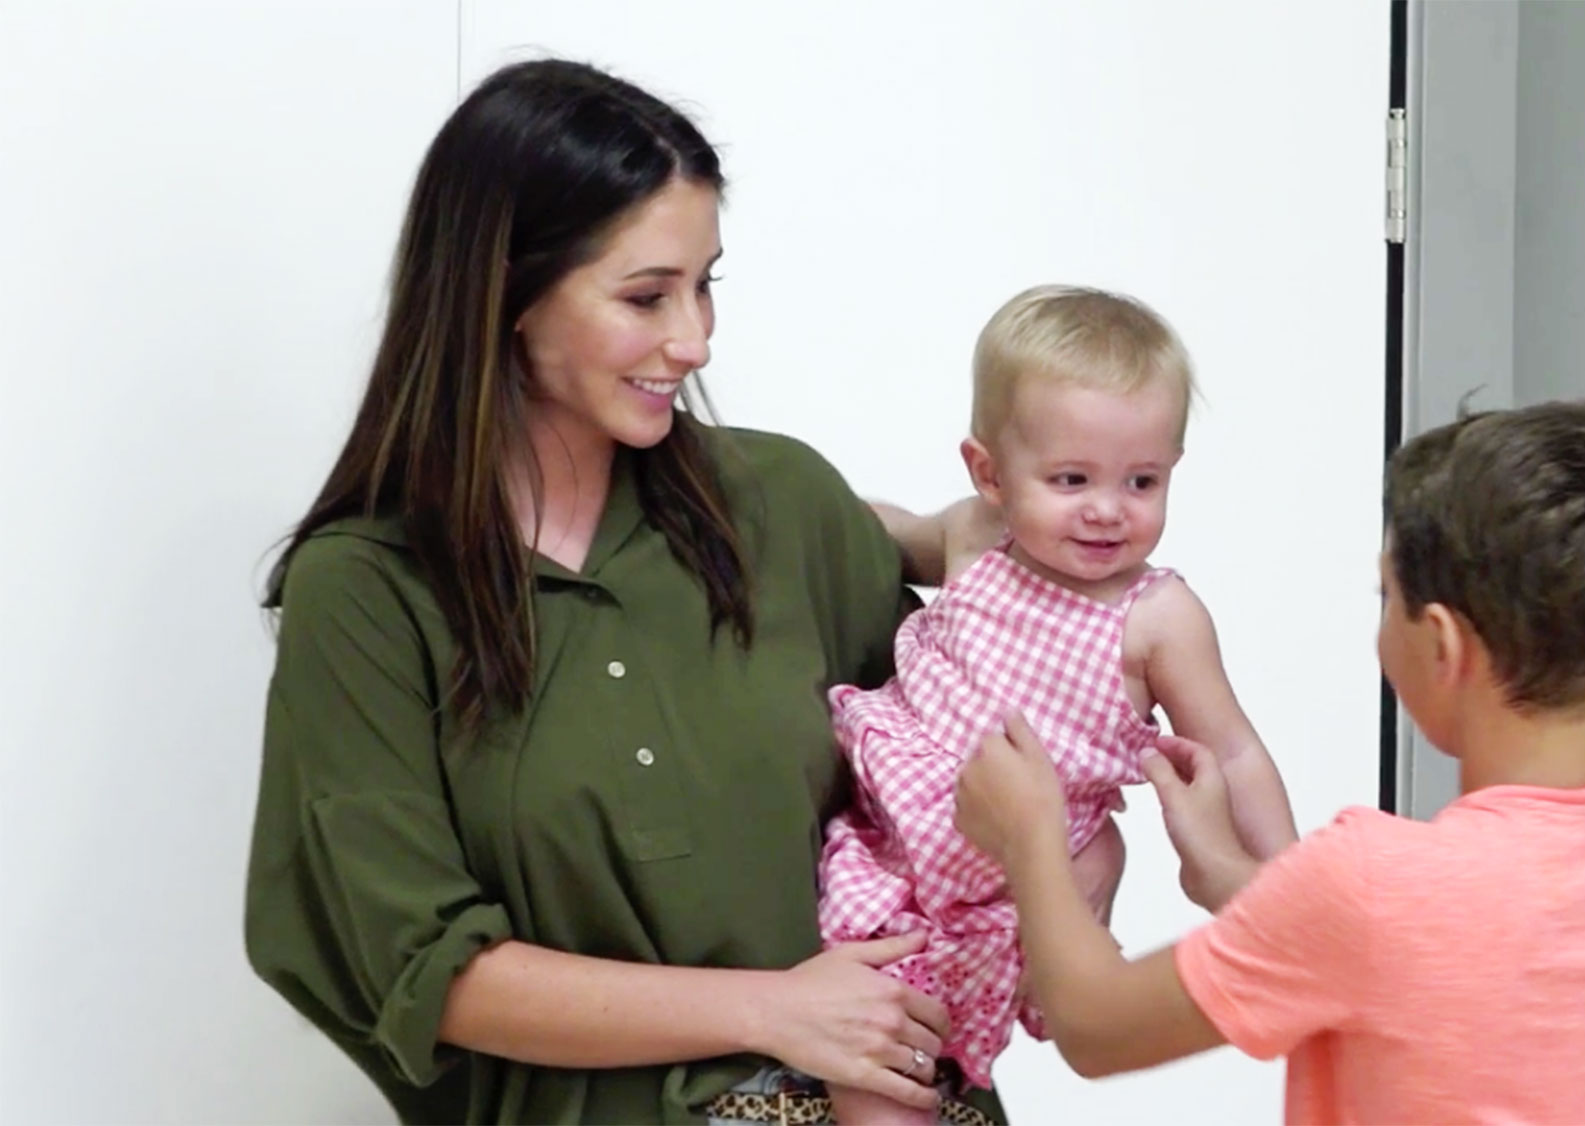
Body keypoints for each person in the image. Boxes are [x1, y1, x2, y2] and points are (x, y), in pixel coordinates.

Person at [242, 58, 1121, 1126]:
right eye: (645, 295)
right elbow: (422, 967)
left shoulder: (779, 503)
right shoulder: (369, 591)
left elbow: (962, 771)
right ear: (506, 293)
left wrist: (1086, 853)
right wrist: (773, 1011)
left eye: (704, 283)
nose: (694, 340)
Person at [955, 399, 1585, 1124]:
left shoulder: (1371, 880)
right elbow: (1431, 961)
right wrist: (1229, 873)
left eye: (1384, 596)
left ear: (1442, 644)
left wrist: (1030, 835)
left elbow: (1096, 1028)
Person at [816, 284, 1299, 1124]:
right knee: (870, 1063)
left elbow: (1235, 753)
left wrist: (1283, 883)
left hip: (1013, 888)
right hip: (891, 851)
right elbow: (882, 534)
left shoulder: (1156, 618)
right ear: (989, 473)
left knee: (922, 1073)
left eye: (1141, 480)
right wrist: (801, 511)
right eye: (1072, 479)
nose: (1108, 509)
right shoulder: (974, 535)